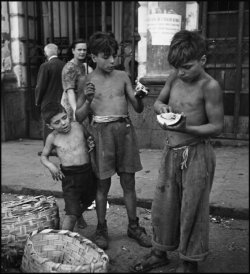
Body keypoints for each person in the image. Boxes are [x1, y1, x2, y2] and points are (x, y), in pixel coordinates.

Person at [130, 30, 224, 273]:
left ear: (202, 60)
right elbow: (160, 101)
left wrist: (187, 127)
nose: (182, 72)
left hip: (197, 154)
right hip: (171, 151)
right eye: (177, 67)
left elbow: (216, 126)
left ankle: (189, 262)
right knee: (163, 205)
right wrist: (162, 110)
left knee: (192, 208)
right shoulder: (174, 77)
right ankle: (159, 251)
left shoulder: (210, 86)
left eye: (187, 67)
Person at [75, 31, 152, 250]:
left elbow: (136, 108)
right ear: (93, 57)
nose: (111, 61)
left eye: (113, 56)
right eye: (105, 56)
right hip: (101, 133)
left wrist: (139, 98)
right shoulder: (87, 81)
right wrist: (88, 101)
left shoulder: (122, 76)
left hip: (125, 130)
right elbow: (78, 117)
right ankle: (101, 228)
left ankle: (134, 226)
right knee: (102, 185)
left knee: (129, 182)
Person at [40, 102, 96, 232]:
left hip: (87, 173)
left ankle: (78, 214)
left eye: (64, 118)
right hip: (70, 178)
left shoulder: (78, 126)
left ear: (68, 115)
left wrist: (91, 142)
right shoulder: (52, 138)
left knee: (89, 199)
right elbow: (43, 156)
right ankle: (63, 239)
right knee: (71, 214)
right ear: (49, 126)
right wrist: (51, 166)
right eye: (57, 122)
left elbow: (89, 139)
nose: (63, 123)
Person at [35, 43, 65, 149]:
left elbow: (40, 86)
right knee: (61, 123)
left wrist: (37, 100)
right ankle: (60, 146)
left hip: (48, 100)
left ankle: (49, 148)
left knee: (48, 125)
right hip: (62, 99)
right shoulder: (64, 64)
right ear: (57, 52)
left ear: (46, 53)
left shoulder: (45, 66)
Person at [61, 39, 93, 122]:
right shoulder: (69, 68)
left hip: (81, 102)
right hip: (71, 104)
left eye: (84, 50)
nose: (82, 52)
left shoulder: (83, 66)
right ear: (73, 51)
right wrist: (75, 110)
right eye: (79, 50)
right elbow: (70, 91)